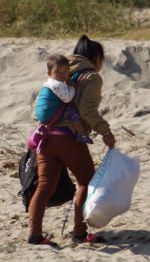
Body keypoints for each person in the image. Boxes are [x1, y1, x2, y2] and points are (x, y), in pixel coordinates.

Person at [27, 35, 116, 246]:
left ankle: (35, 234)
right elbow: (87, 111)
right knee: (87, 182)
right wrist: (106, 131)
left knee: (44, 187)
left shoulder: (60, 70)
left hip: (45, 137)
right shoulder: (91, 77)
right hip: (68, 139)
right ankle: (80, 232)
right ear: (96, 58)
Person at [34, 54, 93, 145]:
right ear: (49, 73)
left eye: (65, 71)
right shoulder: (57, 84)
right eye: (58, 72)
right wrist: (72, 87)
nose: (62, 75)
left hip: (40, 114)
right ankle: (82, 134)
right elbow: (68, 99)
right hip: (50, 113)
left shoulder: (48, 83)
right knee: (72, 112)